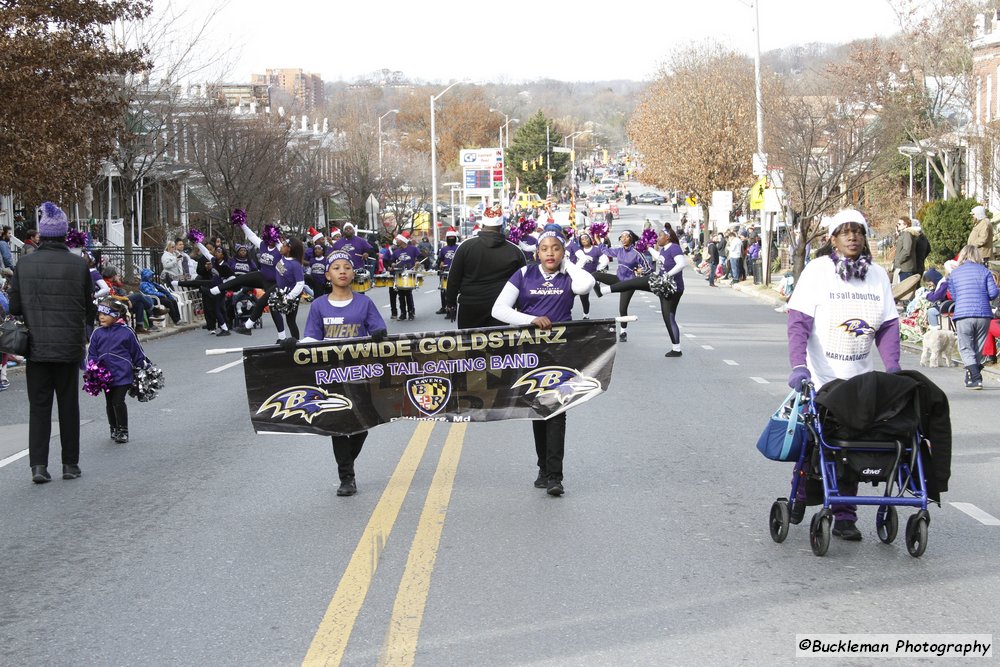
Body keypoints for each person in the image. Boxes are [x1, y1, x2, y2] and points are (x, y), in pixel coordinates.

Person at [785, 209, 900, 540]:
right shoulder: (818, 271)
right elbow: (798, 322)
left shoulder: (876, 275)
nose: (853, 237)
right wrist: (798, 365)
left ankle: (845, 515)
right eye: (845, 232)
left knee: (849, 448)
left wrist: (892, 366)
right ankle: (802, 494)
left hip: (859, 380)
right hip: (821, 379)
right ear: (833, 239)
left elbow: (889, 325)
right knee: (815, 445)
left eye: (859, 232)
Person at [491, 230, 595, 496]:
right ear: (536, 252)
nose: (550, 253)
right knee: (538, 410)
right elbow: (498, 309)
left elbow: (585, 286)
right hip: (530, 353)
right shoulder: (524, 275)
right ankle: (543, 468)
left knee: (557, 409)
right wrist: (530, 319)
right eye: (545, 248)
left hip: (563, 353)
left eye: (556, 248)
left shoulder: (569, 276)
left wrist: (567, 264)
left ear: (563, 252)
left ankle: (555, 476)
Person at [8, 202, 96, 483]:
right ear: (64, 234)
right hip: (69, 346)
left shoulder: (25, 263)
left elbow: (15, 307)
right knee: (69, 407)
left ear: (41, 236)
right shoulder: (78, 264)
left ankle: (38, 466)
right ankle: (70, 464)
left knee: (40, 407)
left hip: (36, 346)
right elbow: (88, 305)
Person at [297, 251, 388, 496]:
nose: (342, 271)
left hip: (360, 372)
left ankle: (348, 462)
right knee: (339, 427)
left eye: (346, 267)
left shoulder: (364, 303)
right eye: (336, 268)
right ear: (328, 275)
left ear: (353, 273)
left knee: (361, 425)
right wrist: (292, 346)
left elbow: (378, 327)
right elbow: (311, 338)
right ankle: (347, 478)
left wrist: (379, 333)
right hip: (331, 376)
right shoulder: (318, 305)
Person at [926, 245, 999, 389]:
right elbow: (993, 293)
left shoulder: (955, 273)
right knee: (978, 346)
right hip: (983, 313)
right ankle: (971, 376)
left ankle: (976, 377)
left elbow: (953, 295)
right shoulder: (985, 271)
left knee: (965, 346)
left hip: (963, 313)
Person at [445, 212, 526, 328]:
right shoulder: (515, 251)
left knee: (470, 344)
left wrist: (450, 303)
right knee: (499, 343)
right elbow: (523, 283)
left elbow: (453, 278)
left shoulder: (465, 247)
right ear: (501, 226)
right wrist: (521, 307)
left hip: (470, 306)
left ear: (483, 224)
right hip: (502, 308)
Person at [87, 298, 148, 443]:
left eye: (105, 313)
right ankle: (113, 428)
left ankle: (123, 430)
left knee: (118, 401)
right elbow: (92, 353)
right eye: (100, 313)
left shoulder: (127, 332)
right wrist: (93, 368)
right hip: (105, 375)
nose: (101, 316)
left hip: (123, 373)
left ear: (115, 315)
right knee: (109, 402)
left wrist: (145, 366)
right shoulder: (97, 333)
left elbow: (137, 352)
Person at [594, 230, 650, 342]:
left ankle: (623, 333)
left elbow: (648, 268)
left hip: (629, 284)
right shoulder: (619, 251)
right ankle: (599, 291)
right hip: (618, 279)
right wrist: (597, 240)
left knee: (622, 309)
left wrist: (640, 271)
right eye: (622, 237)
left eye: (626, 237)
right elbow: (606, 250)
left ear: (631, 239)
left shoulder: (636, 253)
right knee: (594, 275)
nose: (623, 239)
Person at [572, 230, 603, 319]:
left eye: (586, 238)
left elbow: (604, 260)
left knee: (595, 292)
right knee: (583, 296)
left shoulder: (596, 249)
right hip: (581, 276)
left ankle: (599, 289)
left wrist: (599, 269)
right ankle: (585, 314)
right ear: (580, 241)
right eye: (582, 239)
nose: (584, 240)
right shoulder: (579, 251)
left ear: (590, 239)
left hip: (593, 274)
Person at [386, 234, 418, 321]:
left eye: (398, 240)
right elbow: (391, 261)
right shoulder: (396, 251)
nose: (396, 241)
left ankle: (411, 313)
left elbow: (420, 257)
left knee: (408, 294)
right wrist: (392, 264)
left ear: (403, 240)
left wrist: (417, 262)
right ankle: (403, 313)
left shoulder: (413, 249)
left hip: (409, 273)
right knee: (400, 295)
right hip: (399, 274)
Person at [435, 228, 460, 315]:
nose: (451, 239)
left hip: (455, 272)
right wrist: (441, 264)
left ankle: (453, 309)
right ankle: (444, 307)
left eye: (453, 237)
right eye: (449, 237)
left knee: (453, 291)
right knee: (443, 290)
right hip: (445, 272)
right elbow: (440, 260)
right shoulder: (443, 249)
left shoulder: (459, 247)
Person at [893, 216, 918, 281]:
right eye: (897, 224)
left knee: (904, 290)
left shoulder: (907, 234)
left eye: (899, 224)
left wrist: (898, 261)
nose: (898, 225)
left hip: (905, 269)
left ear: (905, 225)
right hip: (903, 268)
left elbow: (907, 250)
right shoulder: (903, 234)